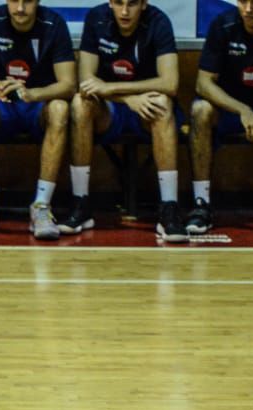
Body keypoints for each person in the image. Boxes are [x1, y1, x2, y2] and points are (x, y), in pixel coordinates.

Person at [63, 0, 185, 242]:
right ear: (110, 3)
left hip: (146, 109)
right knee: (79, 103)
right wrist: (128, 98)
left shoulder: (159, 21)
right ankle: (80, 204)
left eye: (132, 4)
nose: (125, 11)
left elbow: (170, 83)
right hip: (109, 110)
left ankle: (169, 209)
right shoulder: (96, 18)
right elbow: (86, 82)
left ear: (144, 4)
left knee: (163, 104)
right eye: (118, 3)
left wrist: (117, 90)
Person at [0, 0, 75, 240]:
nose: (21, 8)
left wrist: (32, 93)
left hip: (38, 105)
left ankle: (41, 206)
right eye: (14, 0)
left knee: (60, 108)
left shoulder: (54, 23)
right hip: (2, 106)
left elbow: (68, 85)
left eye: (27, 1)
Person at [186, 0, 253, 234]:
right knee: (201, 110)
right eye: (243, 1)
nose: (248, 9)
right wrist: (243, 110)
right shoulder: (223, 24)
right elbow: (203, 83)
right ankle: (202, 204)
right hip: (232, 109)